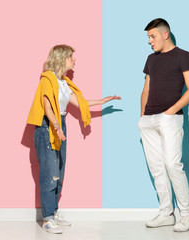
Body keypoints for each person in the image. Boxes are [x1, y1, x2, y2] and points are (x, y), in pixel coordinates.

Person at [27, 44, 120, 234]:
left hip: (59, 122)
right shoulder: (48, 78)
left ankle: (53, 212)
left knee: (59, 172)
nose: (74, 59)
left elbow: (80, 103)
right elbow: (47, 107)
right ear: (61, 58)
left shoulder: (63, 82)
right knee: (49, 173)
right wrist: (56, 127)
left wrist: (102, 101)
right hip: (47, 125)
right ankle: (47, 219)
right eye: (71, 56)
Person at [138, 18, 189, 232]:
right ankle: (166, 213)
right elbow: (146, 88)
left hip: (169, 119)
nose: (150, 41)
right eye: (148, 37)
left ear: (165, 34)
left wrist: (169, 112)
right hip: (148, 120)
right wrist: (142, 117)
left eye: (152, 36)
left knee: (173, 165)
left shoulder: (183, 56)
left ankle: (187, 214)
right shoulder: (151, 59)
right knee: (157, 168)